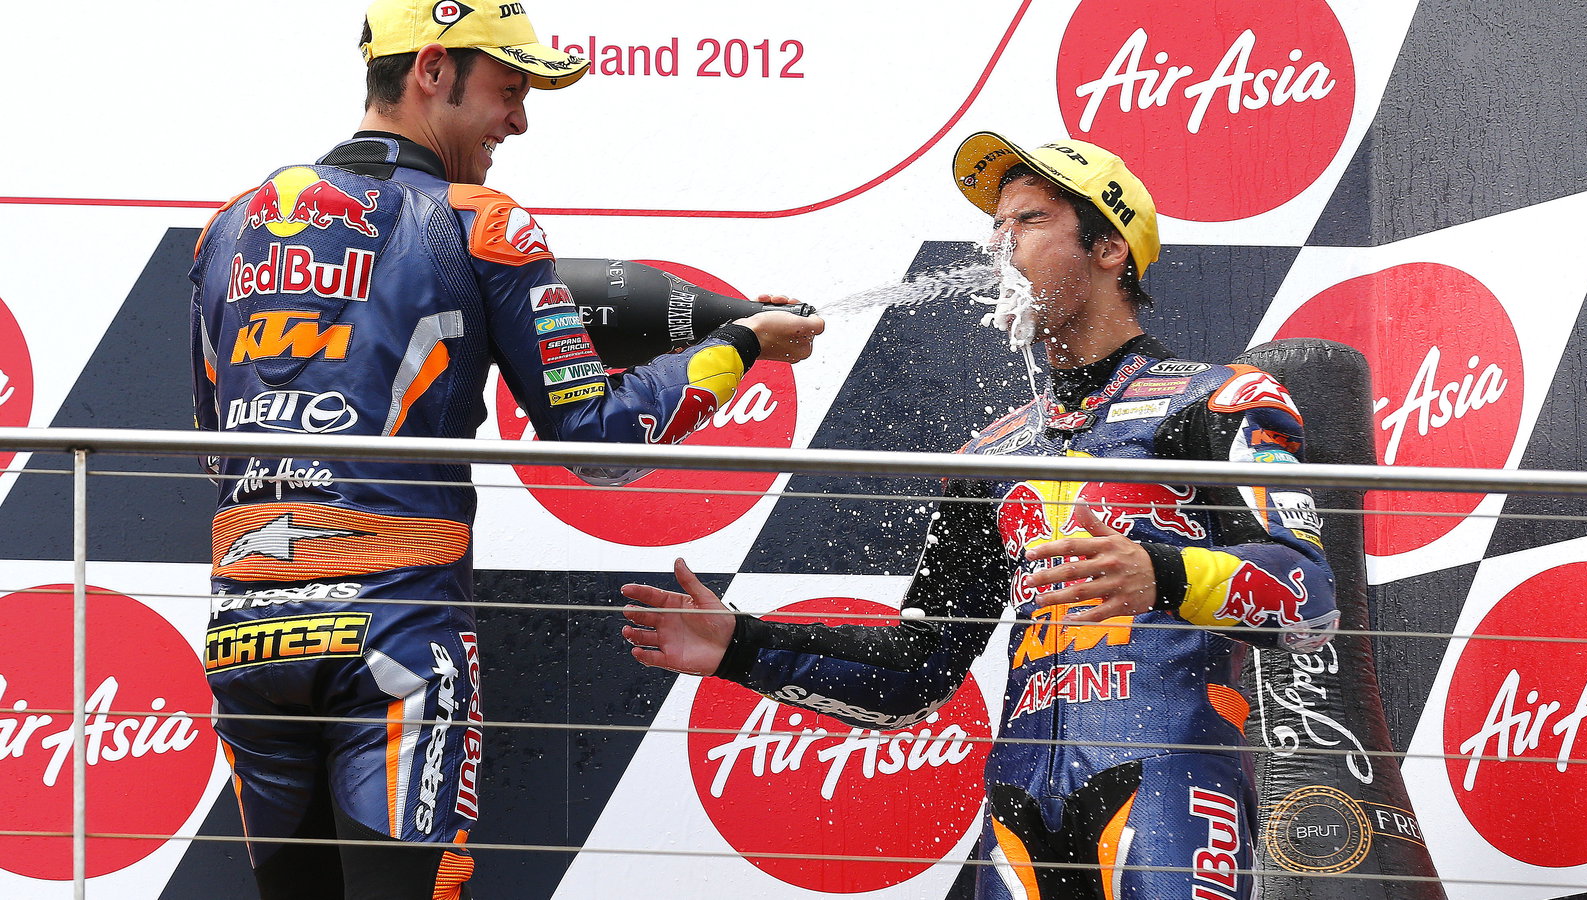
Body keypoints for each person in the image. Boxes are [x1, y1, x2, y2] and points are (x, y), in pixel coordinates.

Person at [188, 1, 823, 897]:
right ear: (432, 69)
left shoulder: (228, 228)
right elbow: (601, 441)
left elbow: (214, 444)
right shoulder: (479, 223)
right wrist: (742, 345)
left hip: (247, 633)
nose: (518, 120)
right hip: (393, 633)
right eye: (509, 88)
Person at [620, 133, 1337, 899]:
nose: (1000, 245)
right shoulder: (991, 454)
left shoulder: (1217, 400)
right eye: (995, 227)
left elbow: (1311, 602)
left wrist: (1159, 574)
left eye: (1027, 221)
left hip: (1170, 790)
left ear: (1108, 248)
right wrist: (742, 645)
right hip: (1020, 813)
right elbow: (918, 672)